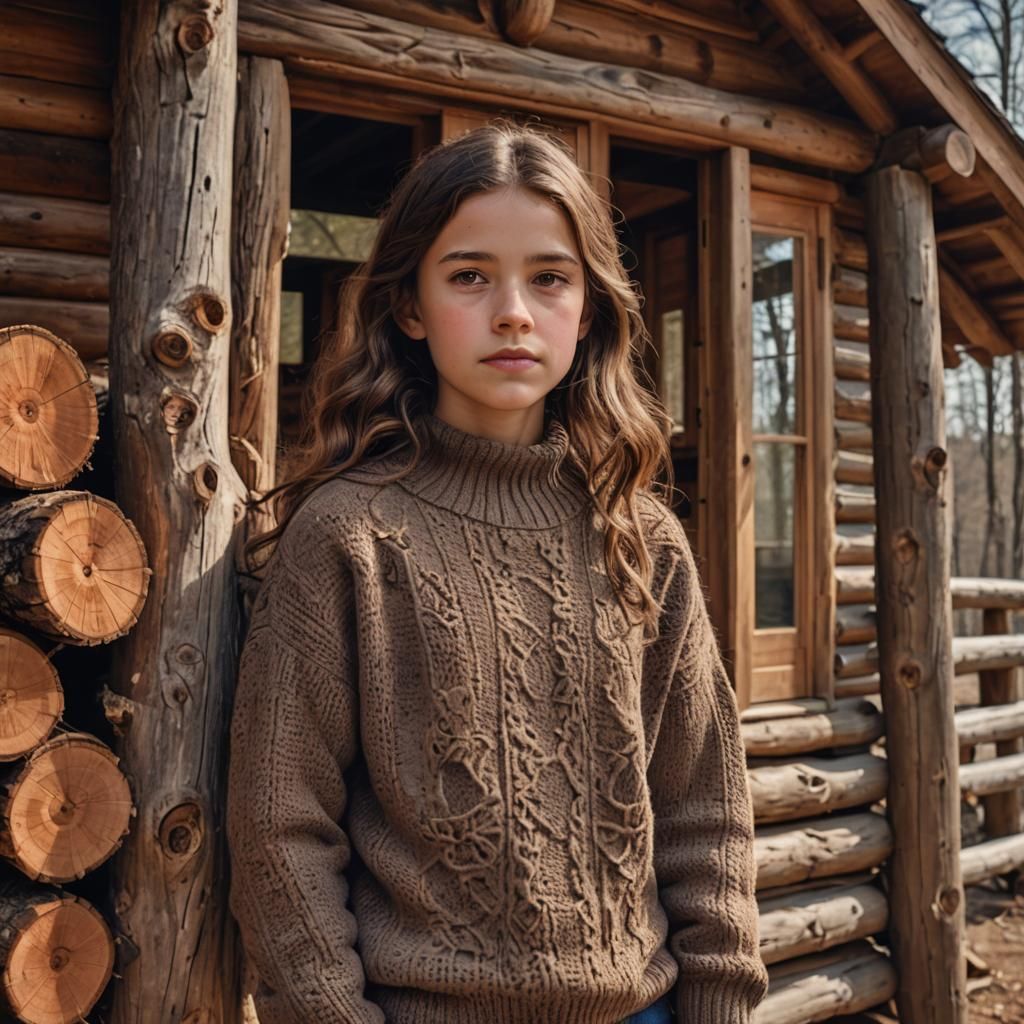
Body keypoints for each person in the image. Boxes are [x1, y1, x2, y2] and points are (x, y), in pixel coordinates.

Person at [226, 121, 768, 1024]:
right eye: (470, 276)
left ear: (588, 309)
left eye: (549, 278)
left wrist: (721, 1008)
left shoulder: (643, 538)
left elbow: (705, 809)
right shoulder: (350, 535)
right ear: (409, 306)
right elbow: (280, 826)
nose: (513, 310)